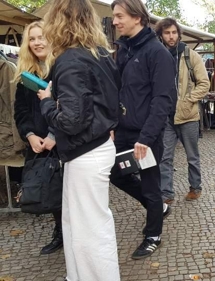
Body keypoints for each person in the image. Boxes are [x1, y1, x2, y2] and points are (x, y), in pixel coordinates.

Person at [38, 0, 121, 279]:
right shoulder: (98, 54)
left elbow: (72, 121)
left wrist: (48, 103)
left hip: (86, 151)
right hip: (93, 148)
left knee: (90, 231)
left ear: (59, 22)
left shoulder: (71, 60)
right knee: (82, 227)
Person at [111, 0, 177, 259]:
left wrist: (147, 138)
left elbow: (163, 99)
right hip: (123, 131)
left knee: (151, 186)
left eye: (119, 16)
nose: (114, 21)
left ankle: (153, 235)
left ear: (137, 17)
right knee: (115, 174)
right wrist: (113, 125)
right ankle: (157, 207)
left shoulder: (157, 52)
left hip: (145, 136)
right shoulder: (123, 50)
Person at [12, 21, 63, 256]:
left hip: (63, 143)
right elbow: (20, 111)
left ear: (51, 38)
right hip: (38, 146)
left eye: (41, 37)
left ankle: (74, 234)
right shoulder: (26, 75)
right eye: (32, 38)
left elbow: (70, 107)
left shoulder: (62, 68)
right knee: (51, 190)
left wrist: (54, 135)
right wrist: (30, 135)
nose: (37, 42)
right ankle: (60, 232)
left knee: (71, 192)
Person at [155, 17, 209, 203]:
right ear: (161, 35)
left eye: (173, 32)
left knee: (192, 156)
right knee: (165, 157)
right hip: (166, 117)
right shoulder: (157, 55)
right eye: (167, 33)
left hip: (188, 116)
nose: (171, 36)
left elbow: (204, 84)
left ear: (179, 33)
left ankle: (195, 187)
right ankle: (166, 193)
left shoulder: (190, 55)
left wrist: (187, 101)